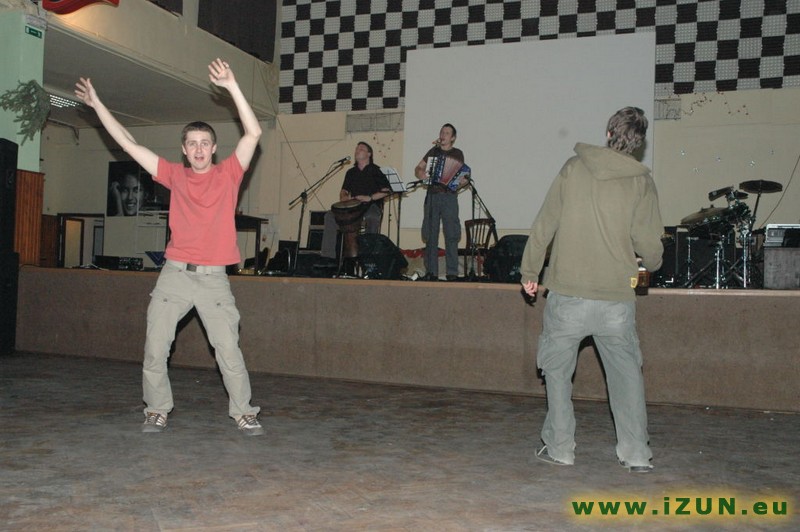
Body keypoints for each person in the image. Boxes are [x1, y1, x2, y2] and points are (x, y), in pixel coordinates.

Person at [75, 58, 265, 436]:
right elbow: (128, 144)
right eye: (192, 143)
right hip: (175, 274)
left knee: (228, 351)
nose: (199, 149)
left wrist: (232, 86)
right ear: (184, 149)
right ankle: (157, 409)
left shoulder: (228, 174)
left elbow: (254, 132)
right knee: (155, 348)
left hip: (213, 280)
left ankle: (243, 411)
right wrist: (97, 105)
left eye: (205, 143)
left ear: (214, 149)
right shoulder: (174, 175)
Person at [520, 107, 664, 473]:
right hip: (616, 299)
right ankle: (635, 453)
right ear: (638, 142)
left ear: (608, 132)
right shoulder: (641, 182)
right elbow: (650, 246)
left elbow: (544, 224)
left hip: (568, 295)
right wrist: (651, 261)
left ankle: (560, 448)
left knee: (557, 374)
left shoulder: (573, 168)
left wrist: (530, 271)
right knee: (626, 378)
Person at [320, 141, 391, 275]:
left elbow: (386, 191)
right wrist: (344, 197)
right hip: (353, 206)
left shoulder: (376, 170)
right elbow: (344, 190)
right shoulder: (351, 172)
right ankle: (328, 258)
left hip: (371, 205)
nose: (357, 150)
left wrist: (369, 197)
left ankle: (369, 259)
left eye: (361, 149)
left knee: (372, 217)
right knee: (330, 216)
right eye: (356, 149)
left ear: (369, 154)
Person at [414, 123, 469, 281]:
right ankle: (432, 272)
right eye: (442, 132)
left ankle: (452, 272)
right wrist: (421, 174)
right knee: (431, 234)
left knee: (451, 234)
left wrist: (460, 183)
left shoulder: (457, 153)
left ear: (452, 138)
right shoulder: (433, 151)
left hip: (449, 197)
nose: (443, 135)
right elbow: (418, 168)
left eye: (447, 133)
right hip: (432, 196)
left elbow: (462, 177)